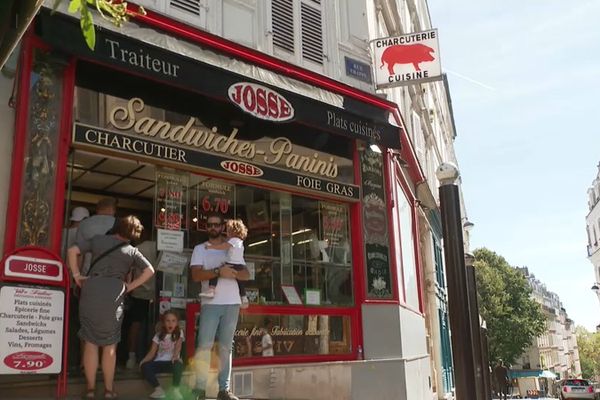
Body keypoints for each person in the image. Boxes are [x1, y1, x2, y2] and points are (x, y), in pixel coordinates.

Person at [67, 215, 155, 399]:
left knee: (90, 342)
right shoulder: (131, 251)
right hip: (114, 292)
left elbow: (73, 250)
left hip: (92, 288)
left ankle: (90, 390)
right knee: (110, 345)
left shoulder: (98, 240)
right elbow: (150, 271)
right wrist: (130, 287)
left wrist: (76, 275)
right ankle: (108, 390)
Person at [190, 213, 250, 400]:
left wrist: (230, 273)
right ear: (206, 227)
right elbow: (196, 276)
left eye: (217, 224)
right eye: (210, 224)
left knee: (226, 347)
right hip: (210, 303)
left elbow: (246, 274)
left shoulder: (233, 244)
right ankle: (200, 388)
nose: (213, 227)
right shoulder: (200, 249)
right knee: (204, 345)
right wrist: (218, 271)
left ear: (222, 227)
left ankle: (223, 389)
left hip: (232, 302)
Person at [199, 219, 249, 309]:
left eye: (228, 230)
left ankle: (211, 289)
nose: (227, 233)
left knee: (217, 271)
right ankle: (244, 297)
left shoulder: (233, 240)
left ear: (233, 231)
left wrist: (211, 247)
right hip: (239, 265)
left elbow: (223, 246)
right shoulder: (240, 242)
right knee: (240, 282)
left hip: (231, 263)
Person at [126, 235, 157, 369]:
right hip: (158, 291)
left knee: (136, 324)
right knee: (157, 324)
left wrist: (128, 288)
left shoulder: (138, 248)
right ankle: (153, 356)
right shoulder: (167, 245)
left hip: (140, 291)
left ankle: (131, 356)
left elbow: (129, 271)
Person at [139, 310, 184, 400]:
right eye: (168, 321)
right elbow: (152, 352)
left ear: (177, 323)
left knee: (178, 365)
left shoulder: (179, 333)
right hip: (159, 363)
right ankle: (158, 390)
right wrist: (143, 361)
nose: (170, 323)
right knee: (145, 366)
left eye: (173, 321)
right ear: (163, 323)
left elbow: (178, 346)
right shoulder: (158, 335)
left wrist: (175, 356)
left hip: (172, 362)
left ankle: (175, 389)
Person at [76, 197, 117, 276]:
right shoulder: (120, 225)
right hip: (113, 274)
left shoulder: (84, 224)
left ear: (97, 209)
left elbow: (79, 254)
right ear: (111, 209)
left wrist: (76, 276)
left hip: (88, 272)